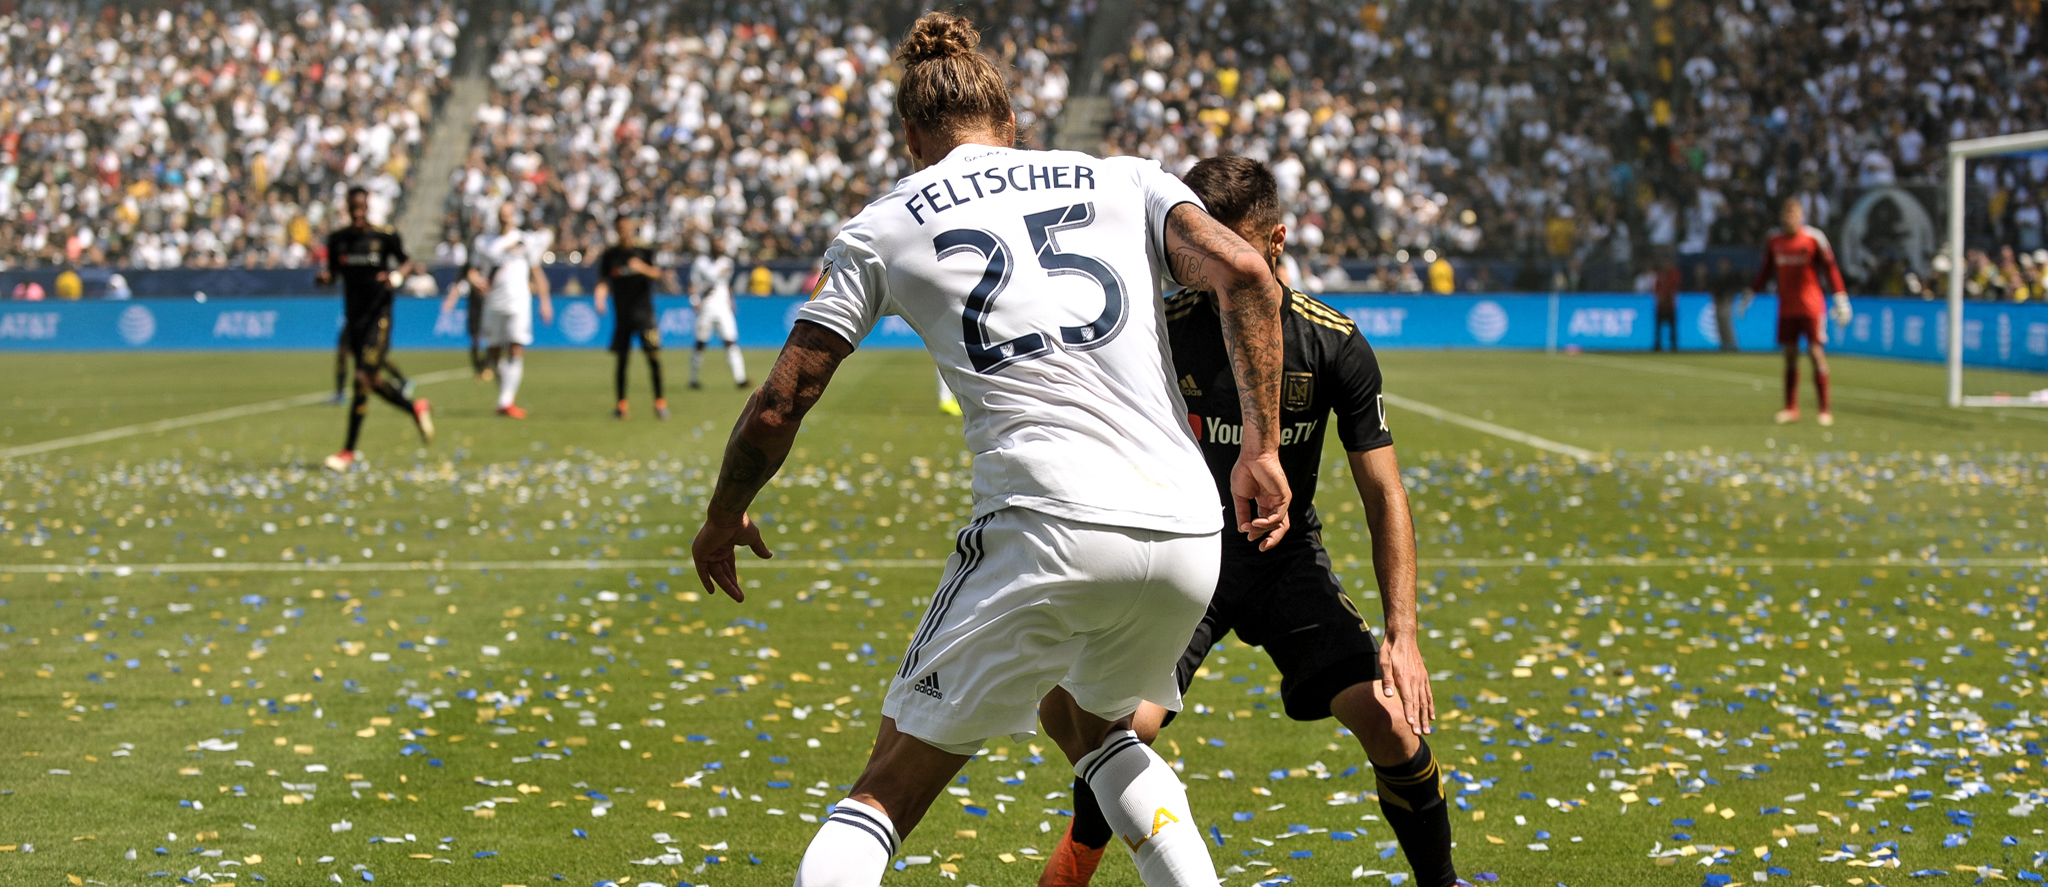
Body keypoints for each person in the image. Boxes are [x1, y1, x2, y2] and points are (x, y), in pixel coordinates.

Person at [688, 13, 1291, 887]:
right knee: (1098, 733)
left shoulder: (884, 222)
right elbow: (1245, 272)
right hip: (1187, 528)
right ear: (1012, 123)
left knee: (886, 788)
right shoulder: (1125, 179)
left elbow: (782, 399)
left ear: (910, 139)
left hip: (1046, 522)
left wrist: (721, 512)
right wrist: (1261, 448)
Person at [1035, 156, 1458, 887]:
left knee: (1392, 724)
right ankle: (1075, 861)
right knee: (1120, 731)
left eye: (1229, 248)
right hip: (1188, 556)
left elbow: (1384, 493)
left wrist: (1403, 634)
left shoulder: (1335, 344)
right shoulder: (1161, 331)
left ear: (1275, 243)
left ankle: (1441, 879)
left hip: (1288, 562)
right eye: (1200, 250)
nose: (1214, 267)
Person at [316, 185, 434, 472]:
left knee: (361, 378)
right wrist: (324, 279)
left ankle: (347, 452)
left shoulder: (383, 236)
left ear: (367, 207)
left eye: (361, 207)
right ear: (347, 208)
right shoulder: (338, 240)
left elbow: (407, 263)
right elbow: (333, 274)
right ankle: (415, 408)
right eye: (353, 208)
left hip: (379, 317)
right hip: (354, 318)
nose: (358, 213)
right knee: (371, 380)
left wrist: (394, 277)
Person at [1746, 198, 1849, 425]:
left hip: (1811, 306)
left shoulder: (1814, 238)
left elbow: (1830, 269)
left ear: (1801, 216)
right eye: (1786, 213)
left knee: (1815, 353)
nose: (1790, 217)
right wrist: (1751, 292)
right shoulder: (1775, 241)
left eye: (1794, 213)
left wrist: (1840, 296)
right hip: (1786, 307)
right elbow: (1766, 271)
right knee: (1790, 355)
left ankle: (1824, 410)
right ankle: (1791, 408)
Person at [467, 201, 553, 419]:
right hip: (493, 302)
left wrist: (544, 300)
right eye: (501, 214)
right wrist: (476, 281)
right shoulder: (484, 243)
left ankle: (505, 401)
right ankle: (505, 397)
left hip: (518, 301)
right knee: (494, 352)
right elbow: (472, 271)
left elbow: (536, 271)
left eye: (508, 214)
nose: (505, 218)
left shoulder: (525, 240)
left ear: (514, 216)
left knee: (516, 347)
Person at [595, 215, 675, 419]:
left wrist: (641, 268)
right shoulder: (610, 254)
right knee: (622, 361)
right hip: (622, 315)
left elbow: (658, 274)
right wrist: (600, 296)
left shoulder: (644, 251)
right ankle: (621, 406)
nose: (624, 231)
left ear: (632, 228)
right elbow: (603, 281)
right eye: (620, 228)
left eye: (626, 227)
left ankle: (659, 403)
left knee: (653, 358)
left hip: (644, 314)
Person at [688, 233, 748, 389]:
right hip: (707, 305)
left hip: (722, 306)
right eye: (716, 243)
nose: (719, 246)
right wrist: (694, 300)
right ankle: (693, 379)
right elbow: (693, 283)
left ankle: (740, 379)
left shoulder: (726, 262)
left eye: (720, 243)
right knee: (700, 342)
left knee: (730, 341)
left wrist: (731, 299)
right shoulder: (700, 263)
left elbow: (725, 283)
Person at [1706, 256, 1744, 352]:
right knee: (1720, 325)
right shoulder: (1717, 277)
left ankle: (1732, 346)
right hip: (1717, 303)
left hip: (1726, 303)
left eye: (1724, 264)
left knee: (1727, 325)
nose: (1723, 266)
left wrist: (1727, 298)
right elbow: (1712, 289)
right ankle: (1723, 345)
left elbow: (1733, 290)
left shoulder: (1731, 277)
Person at [1651, 251, 1680, 351]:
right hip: (1660, 305)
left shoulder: (1673, 274)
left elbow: (1674, 287)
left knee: (1672, 326)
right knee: (1658, 327)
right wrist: (1659, 296)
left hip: (1670, 305)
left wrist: (1665, 296)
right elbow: (1656, 288)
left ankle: (1673, 345)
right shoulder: (1660, 275)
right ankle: (1658, 344)